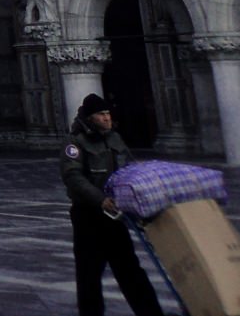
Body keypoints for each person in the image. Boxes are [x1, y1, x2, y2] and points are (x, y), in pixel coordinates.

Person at [61, 93, 162, 316]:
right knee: (89, 273)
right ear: (89, 118)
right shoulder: (75, 143)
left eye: (108, 113)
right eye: (101, 114)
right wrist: (100, 200)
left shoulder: (114, 138)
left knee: (129, 269)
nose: (107, 118)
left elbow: (129, 168)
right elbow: (73, 177)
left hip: (115, 215)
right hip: (88, 216)